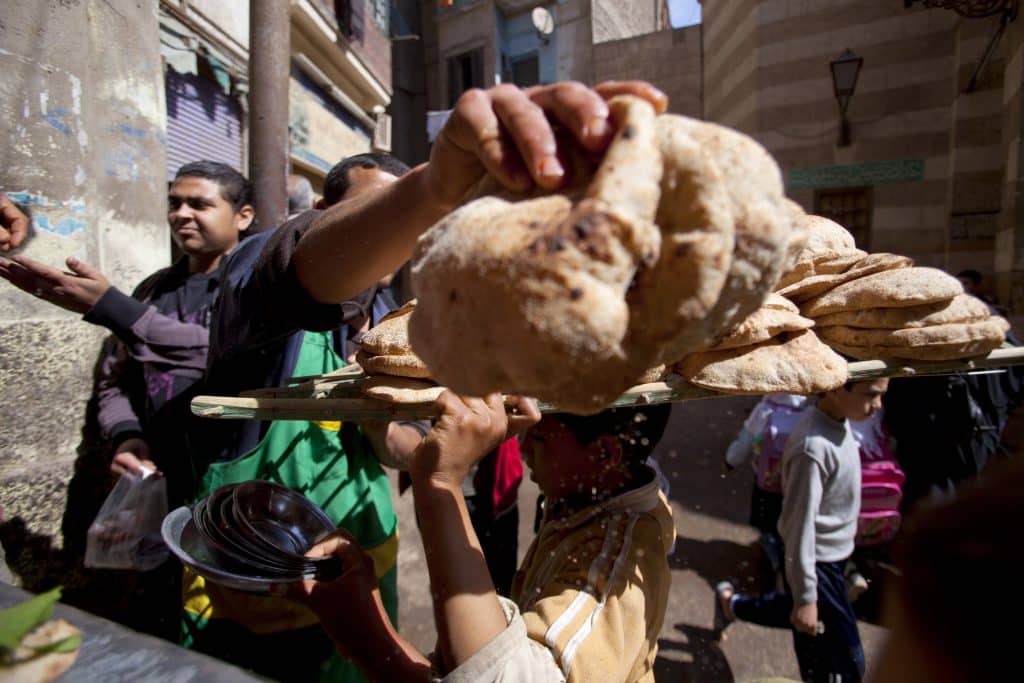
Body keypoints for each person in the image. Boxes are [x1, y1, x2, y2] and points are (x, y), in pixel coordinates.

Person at [280, 394, 675, 682]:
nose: (522, 449)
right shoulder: (591, 495)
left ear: (606, 454)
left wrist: (439, 482)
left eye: (538, 439)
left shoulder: (617, 556)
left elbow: (504, 675)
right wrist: (367, 631)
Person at [716, 378, 890, 683]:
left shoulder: (840, 421)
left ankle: (731, 605)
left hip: (829, 562)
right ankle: (735, 604)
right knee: (846, 663)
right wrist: (807, 595)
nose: (878, 405)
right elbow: (798, 528)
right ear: (836, 387)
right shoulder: (812, 448)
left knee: (803, 623)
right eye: (871, 395)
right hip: (817, 565)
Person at [724, 393, 808, 579]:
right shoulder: (808, 412)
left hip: (767, 483)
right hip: (795, 482)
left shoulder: (764, 410)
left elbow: (745, 440)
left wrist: (730, 460)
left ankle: (775, 561)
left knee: (767, 523)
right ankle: (789, 556)